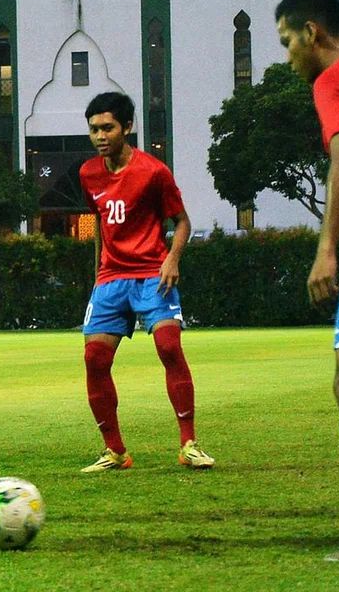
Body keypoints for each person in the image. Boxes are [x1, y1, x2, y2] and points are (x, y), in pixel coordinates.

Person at [276, 0, 339, 562]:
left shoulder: (334, 80)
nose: (288, 55)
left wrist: (327, 249)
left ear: (313, 33)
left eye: (288, 42)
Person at [77, 91, 214, 473]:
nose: (100, 136)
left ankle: (189, 444)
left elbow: (182, 221)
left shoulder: (154, 172)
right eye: (93, 129)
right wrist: (98, 277)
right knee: (94, 360)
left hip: (153, 274)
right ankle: (115, 451)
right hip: (111, 280)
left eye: (107, 127)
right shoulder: (88, 173)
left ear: (127, 128)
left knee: (169, 347)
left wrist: (172, 259)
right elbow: (102, 224)